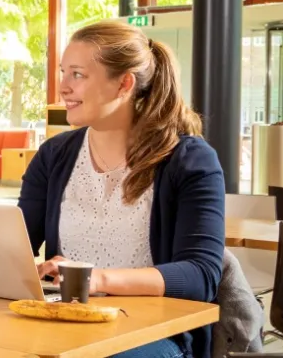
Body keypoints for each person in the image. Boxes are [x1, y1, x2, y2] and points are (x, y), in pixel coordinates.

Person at [19, 21, 225, 358]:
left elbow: (200, 276)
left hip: (151, 337)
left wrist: (98, 279)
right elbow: (17, 241)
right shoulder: (54, 155)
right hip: (65, 326)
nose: (63, 87)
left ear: (123, 84)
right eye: (62, 73)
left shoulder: (190, 161)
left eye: (77, 75)